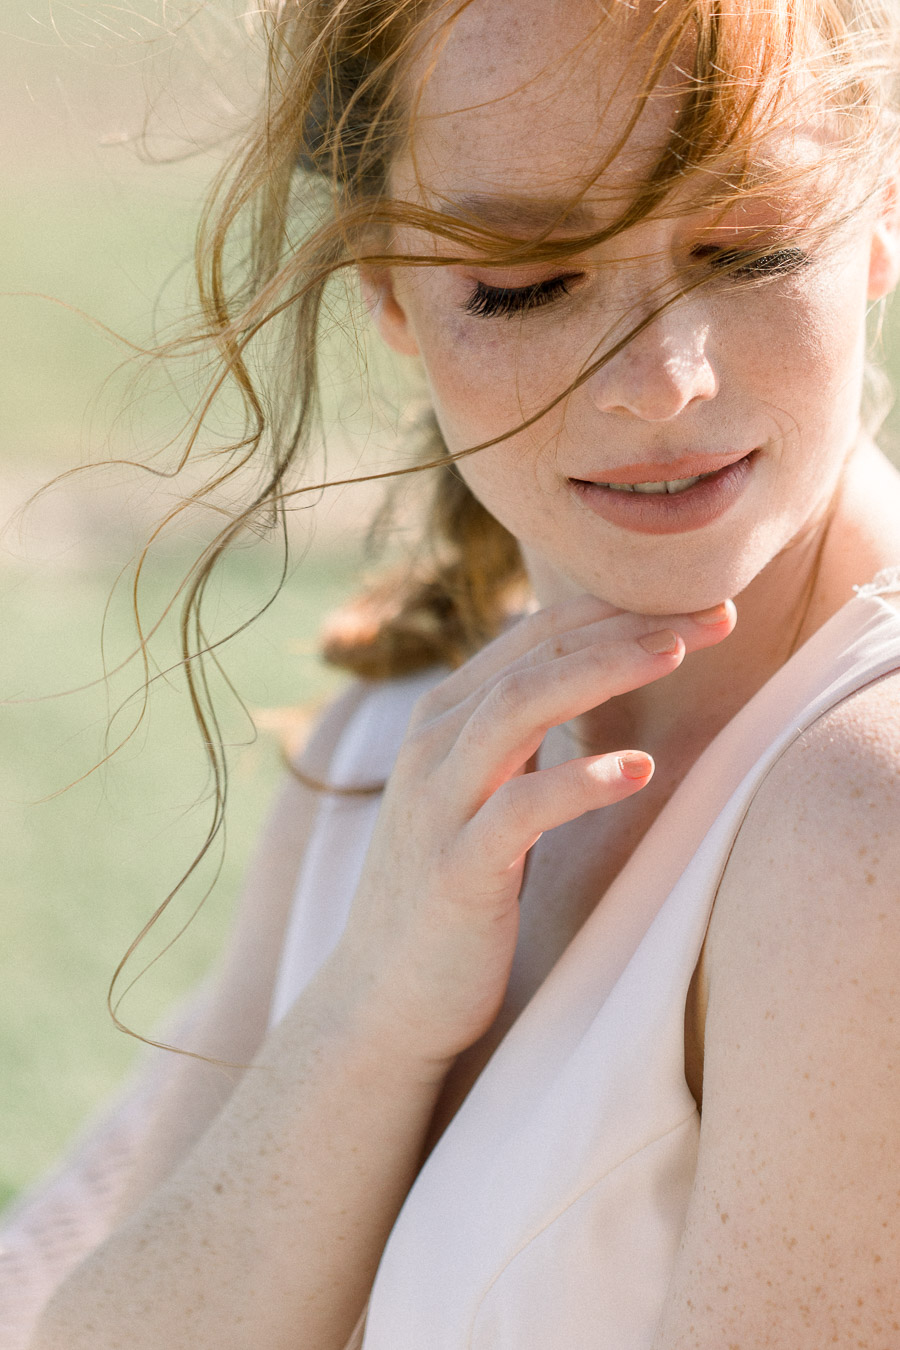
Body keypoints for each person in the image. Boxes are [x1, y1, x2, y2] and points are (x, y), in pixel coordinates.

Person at [3, 0, 900, 1345]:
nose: (661, 376)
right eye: (527, 281)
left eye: (750, 247)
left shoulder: (861, 809)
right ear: (386, 290)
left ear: (879, 209)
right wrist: (371, 1017)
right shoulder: (383, 762)